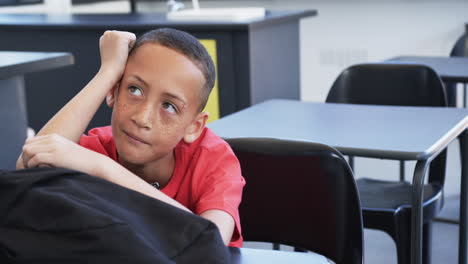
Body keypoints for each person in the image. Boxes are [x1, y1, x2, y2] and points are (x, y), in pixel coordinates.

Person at [16, 28, 245, 247]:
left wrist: (105, 169)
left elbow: (210, 241)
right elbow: (29, 167)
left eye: (169, 106)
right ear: (113, 91)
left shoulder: (214, 160)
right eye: (134, 90)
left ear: (194, 127)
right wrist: (107, 71)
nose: (142, 118)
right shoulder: (98, 147)